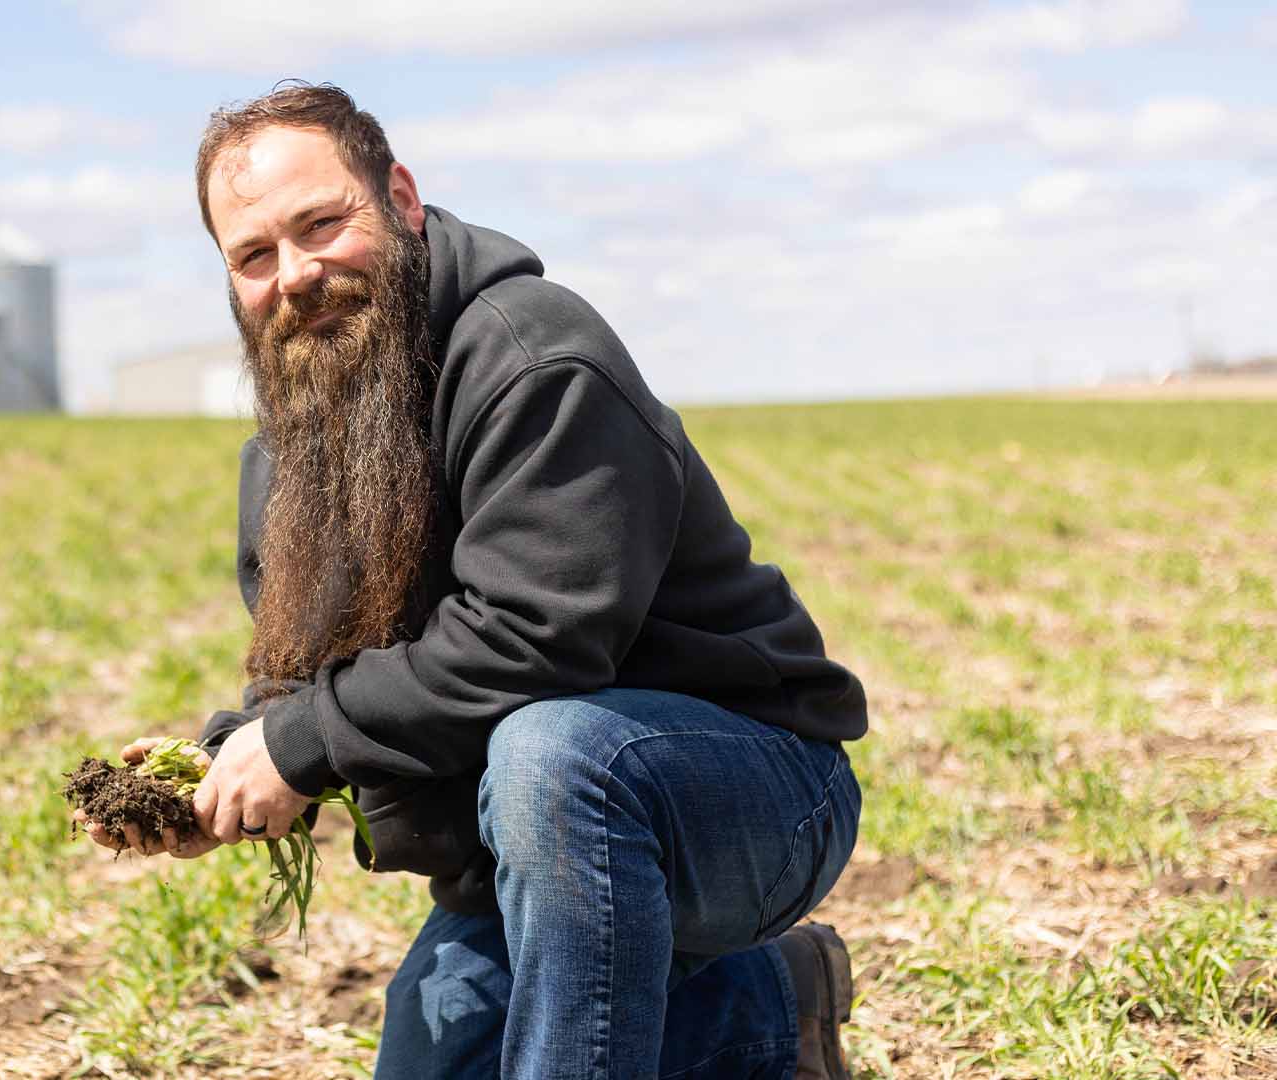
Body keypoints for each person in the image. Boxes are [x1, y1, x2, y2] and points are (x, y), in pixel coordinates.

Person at [77, 81, 866, 1080]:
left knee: (555, 753)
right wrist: (227, 766)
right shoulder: (285, 455)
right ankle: (766, 1006)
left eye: (322, 224)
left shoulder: (536, 357)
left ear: (401, 200)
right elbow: (299, 689)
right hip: (536, 857)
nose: (297, 274)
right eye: (254, 255)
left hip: (749, 795)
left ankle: (718, 959)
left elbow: (536, 639)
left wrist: (304, 741)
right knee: (433, 1055)